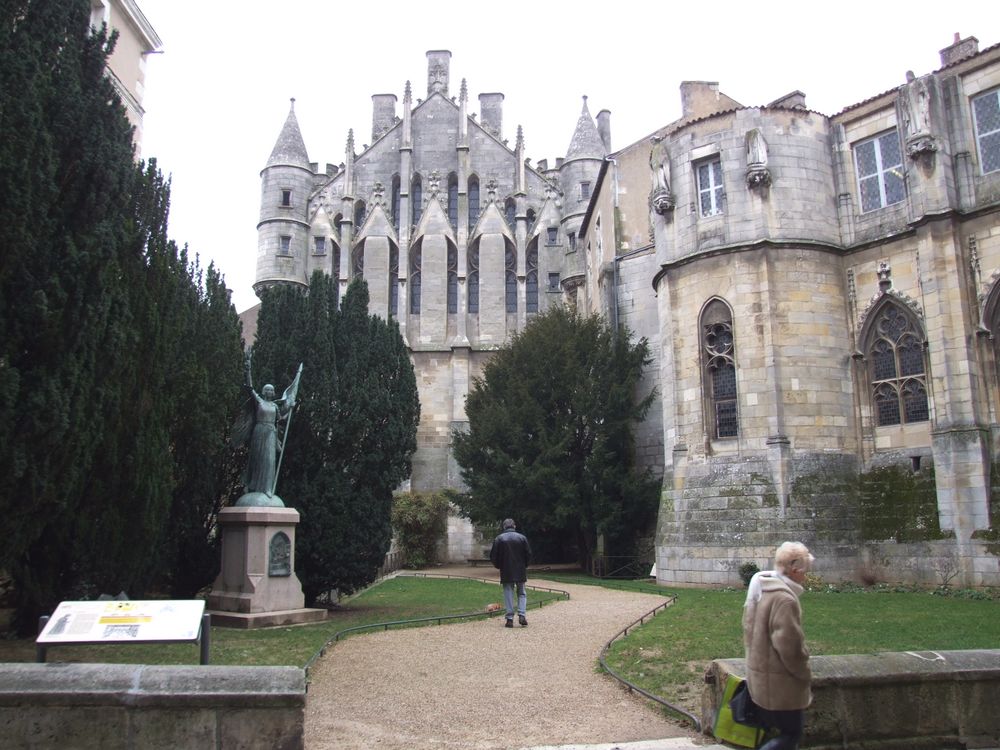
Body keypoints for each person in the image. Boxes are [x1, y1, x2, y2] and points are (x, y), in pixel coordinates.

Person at [742, 542, 815, 750]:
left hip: (760, 679)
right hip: (780, 685)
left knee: (782, 735)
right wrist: (804, 673)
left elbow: (748, 630)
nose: (806, 576)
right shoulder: (784, 599)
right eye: (804, 570)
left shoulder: (762, 589)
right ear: (794, 569)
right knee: (790, 735)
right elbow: (790, 648)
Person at [490, 518, 531, 628]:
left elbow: (493, 556)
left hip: (506, 569)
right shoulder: (522, 538)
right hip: (520, 569)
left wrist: (499, 566)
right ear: (514, 526)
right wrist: (525, 565)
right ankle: (522, 615)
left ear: (504, 526)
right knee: (522, 592)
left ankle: (509, 618)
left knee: (508, 592)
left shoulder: (499, 538)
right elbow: (528, 554)